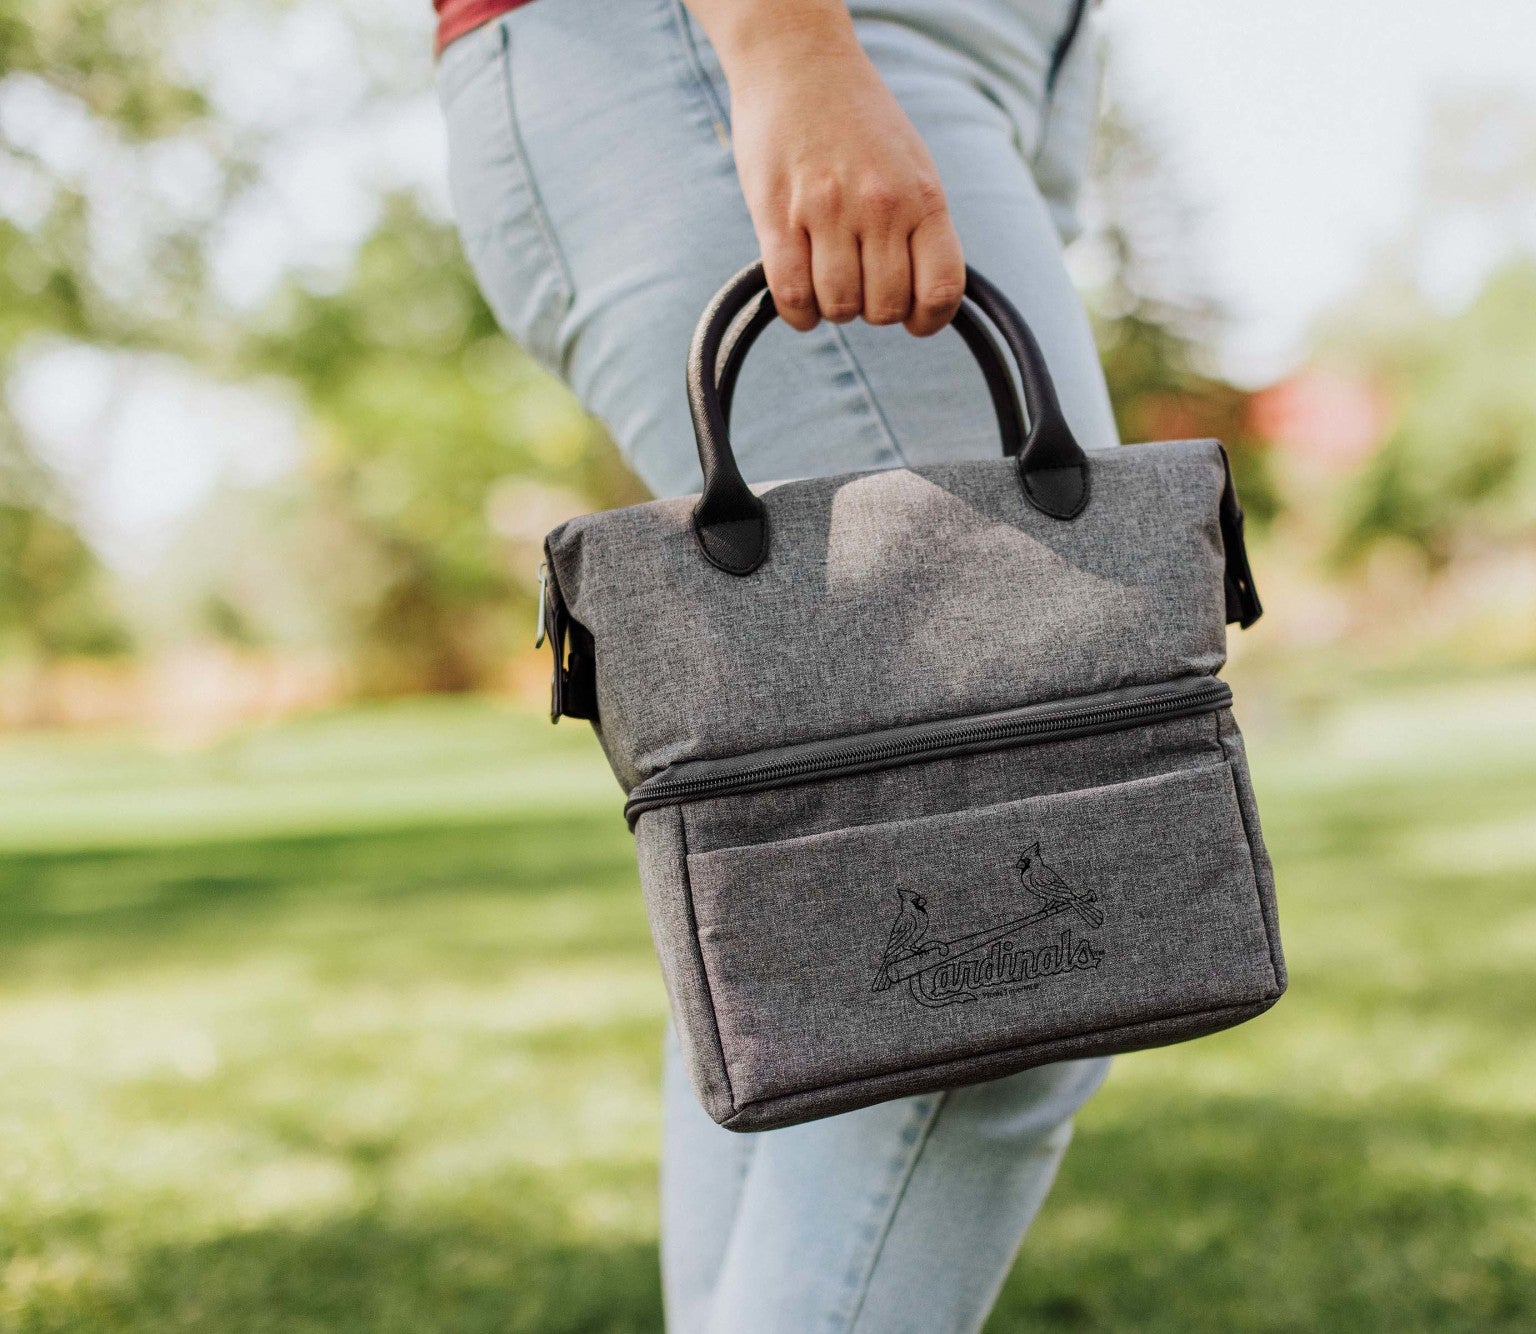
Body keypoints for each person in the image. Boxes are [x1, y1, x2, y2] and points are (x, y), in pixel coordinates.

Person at [435, 1, 1117, 1328]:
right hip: (752, 36)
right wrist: (786, 48)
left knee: (812, 919)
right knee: (1014, 940)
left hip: (967, 57)